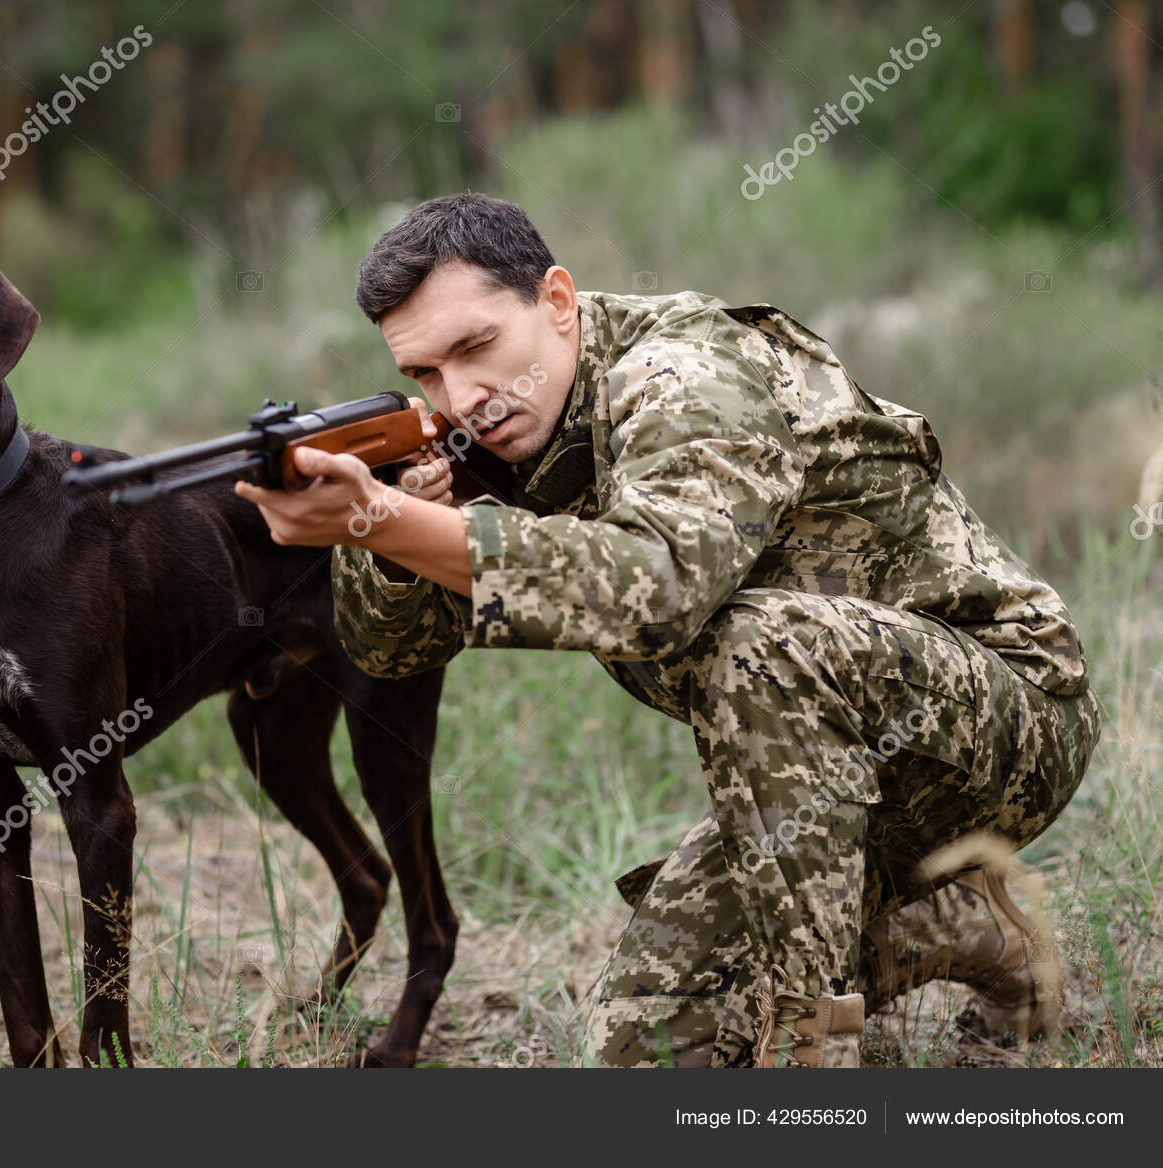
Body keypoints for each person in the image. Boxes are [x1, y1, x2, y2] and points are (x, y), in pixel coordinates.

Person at [233, 193, 1101, 1067]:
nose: (462, 399)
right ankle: (956, 923)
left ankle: (816, 1052)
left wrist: (385, 520)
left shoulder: (685, 371)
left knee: (762, 645)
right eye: (425, 373)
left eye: (476, 347)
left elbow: (659, 590)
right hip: (824, 785)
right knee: (645, 1038)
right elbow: (391, 653)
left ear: (559, 302)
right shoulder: (491, 444)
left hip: (1003, 725)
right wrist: (392, 537)